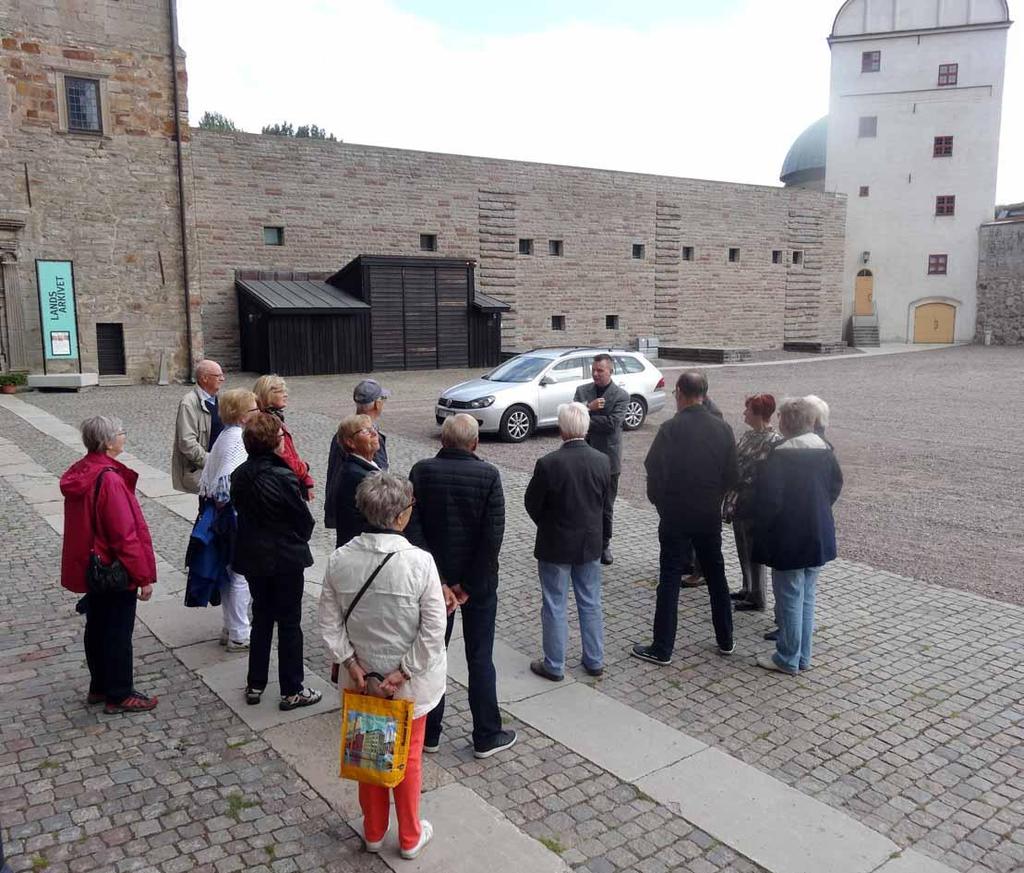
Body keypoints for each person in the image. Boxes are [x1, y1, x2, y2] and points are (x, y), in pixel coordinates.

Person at [319, 473, 446, 861]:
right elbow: (434, 629)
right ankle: (409, 836)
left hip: (362, 681)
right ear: (402, 516)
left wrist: (351, 665)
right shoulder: (420, 563)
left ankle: (373, 830)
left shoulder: (340, 559)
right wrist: (405, 671)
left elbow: (329, 621)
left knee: (366, 751)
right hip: (407, 686)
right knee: (408, 758)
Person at [407, 414, 517, 758]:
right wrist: (467, 586)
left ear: (443, 440)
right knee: (480, 657)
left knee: (431, 654)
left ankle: (430, 732)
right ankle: (486, 733)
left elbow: (414, 529)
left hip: (433, 585)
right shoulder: (489, 476)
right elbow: (491, 539)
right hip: (478, 585)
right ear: (475, 443)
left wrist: (440, 582)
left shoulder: (421, 471)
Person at [632, 370, 738, 665]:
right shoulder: (723, 429)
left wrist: (661, 504)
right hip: (707, 514)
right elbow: (733, 475)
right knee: (716, 575)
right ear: (704, 393)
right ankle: (726, 638)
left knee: (669, 577)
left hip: (676, 514)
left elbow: (654, 470)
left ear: (679, 392)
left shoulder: (670, 429)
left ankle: (662, 647)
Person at [60, 416, 158, 714]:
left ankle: (100, 685)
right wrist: (143, 576)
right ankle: (119, 693)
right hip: (112, 568)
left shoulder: (84, 471)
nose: (124, 436)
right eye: (120, 432)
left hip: (92, 565)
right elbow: (124, 535)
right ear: (108, 441)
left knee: (98, 625)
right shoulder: (109, 479)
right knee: (117, 630)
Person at [231, 412, 321, 711]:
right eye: (281, 438)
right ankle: (292, 689)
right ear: (273, 442)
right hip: (283, 558)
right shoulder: (282, 477)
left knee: (262, 618)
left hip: (253, 554)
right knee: (289, 623)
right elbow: (302, 520)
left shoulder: (240, 475)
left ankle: (256, 682)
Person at [752, 398, 843, 674]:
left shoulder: (780, 455)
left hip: (789, 535)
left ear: (786, 423)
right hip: (817, 530)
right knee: (807, 597)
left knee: (790, 596)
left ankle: (788, 657)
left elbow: (770, 500)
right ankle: (803, 655)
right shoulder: (825, 450)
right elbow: (834, 486)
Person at [524, 402, 611, 680]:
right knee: (590, 601)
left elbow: (532, 503)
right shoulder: (602, 461)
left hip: (556, 542)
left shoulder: (549, 463)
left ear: (562, 429)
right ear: (585, 428)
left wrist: (548, 524)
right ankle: (595, 659)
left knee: (554, 603)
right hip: (589, 542)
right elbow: (605, 505)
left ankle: (554, 664)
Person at [197, 388, 259, 651]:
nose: (258, 413)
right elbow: (224, 485)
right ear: (244, 416)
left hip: (221, 516)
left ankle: (230, 627)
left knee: (230, 573)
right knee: (241, 575)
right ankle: (239, 633)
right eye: (255, 409)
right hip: (233, 518)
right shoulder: (236, 440)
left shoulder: (225, 434)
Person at [723, 394, 783, 612]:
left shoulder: (773, 440)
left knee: (753, 548)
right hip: (739, 500)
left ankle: (757, 595)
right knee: (742, 545)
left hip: (754, 501)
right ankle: (747, 587)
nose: (744, 413)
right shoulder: (749, 435)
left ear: (758, 413)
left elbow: (760, 472)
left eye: (747, 410)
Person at [573, 353, 629, 565]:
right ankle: (583, 541)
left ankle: (604, 544)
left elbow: (612, 424)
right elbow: (572, 416)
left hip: (608, 461)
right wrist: (588, 407)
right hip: (583, 458)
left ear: (610, 371)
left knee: (606, 505)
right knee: (582, 502)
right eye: (594, 370)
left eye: (600, 370)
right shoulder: (582, 392)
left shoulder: (621, 395)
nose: (595, 374)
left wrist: (585, 416)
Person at [325, 379, 390, 529]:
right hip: (364, 515)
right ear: (377, 404)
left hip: (344, 510)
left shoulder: (345, 431)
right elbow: (379, 475)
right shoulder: (369, 437)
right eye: (383, 399)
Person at [253, 374, 315, 501]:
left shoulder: (276, 418)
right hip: (282, 484)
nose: (285, 394)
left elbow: (292, 452)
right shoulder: (267, 423)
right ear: (268, 394)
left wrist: (307, 480)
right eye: (280, 391)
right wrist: (304, 468)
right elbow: (284, 456)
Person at [171, 359, 225, 493]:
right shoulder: (189, 403)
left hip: (222, 467)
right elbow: (186, 442)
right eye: (218, 376)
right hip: (203, 470)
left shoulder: (221, 399)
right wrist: (210, 461)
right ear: (204, 378)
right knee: (208, 510)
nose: (222, 379)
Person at [329, 414, 382, 548]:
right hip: (362, 548)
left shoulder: (365, 467)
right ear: (350, 442)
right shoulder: (358, 475)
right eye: (365, 431)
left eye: (373, 428)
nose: (374, 433)